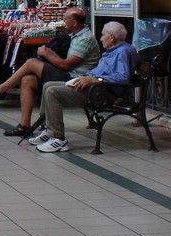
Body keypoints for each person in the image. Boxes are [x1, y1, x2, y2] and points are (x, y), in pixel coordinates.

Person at [0, 7, 100, 137]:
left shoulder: (84, 39)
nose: (63, 21)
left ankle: (1, 89)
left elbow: (66, 65)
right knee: (27, 80)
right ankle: (24, 124)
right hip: (69, 73)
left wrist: (47, 55)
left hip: (74, 78)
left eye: (65, 19)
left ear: (75, 23)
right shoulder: (75, 35)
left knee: (31, 63)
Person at [32, 22, 137, 153]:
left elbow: (122, 78)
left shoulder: (122, 52)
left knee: (53, 92)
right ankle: (48, 129)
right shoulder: (114, 50)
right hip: (95, 86)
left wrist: (95, 79)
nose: (101, 38)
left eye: (103, 35)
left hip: (102, 93)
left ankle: (58, 138)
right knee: (48, 85)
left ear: (111, 37)